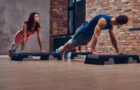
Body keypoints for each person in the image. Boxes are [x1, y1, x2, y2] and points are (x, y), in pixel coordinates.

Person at [56, 14, 128, 55]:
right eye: (120, 25)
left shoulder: (111, 24)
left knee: (76, 44)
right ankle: (60, 50)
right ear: (118, 23)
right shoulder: (103, 21)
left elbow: (113, 38)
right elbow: (96, 35)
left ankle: (65, 51)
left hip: (88, 35)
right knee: (73, 43)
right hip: (83, 31)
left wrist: (118, 51)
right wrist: (93, 50)